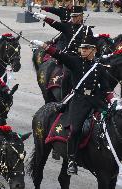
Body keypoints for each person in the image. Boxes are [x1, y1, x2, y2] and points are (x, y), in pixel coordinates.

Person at [31, 35, 113, 175]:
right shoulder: (75, 62)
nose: (82, 51)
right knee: (75, 130)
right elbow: (59, 55)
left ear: (93, 50)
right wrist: (44, 46)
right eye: (81, 48)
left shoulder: (99, 67)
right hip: (79, 101)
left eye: (86, 49)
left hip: (95, 100)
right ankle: (71, 160)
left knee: (112, 123)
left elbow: (106, 89)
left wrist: (112, 101)